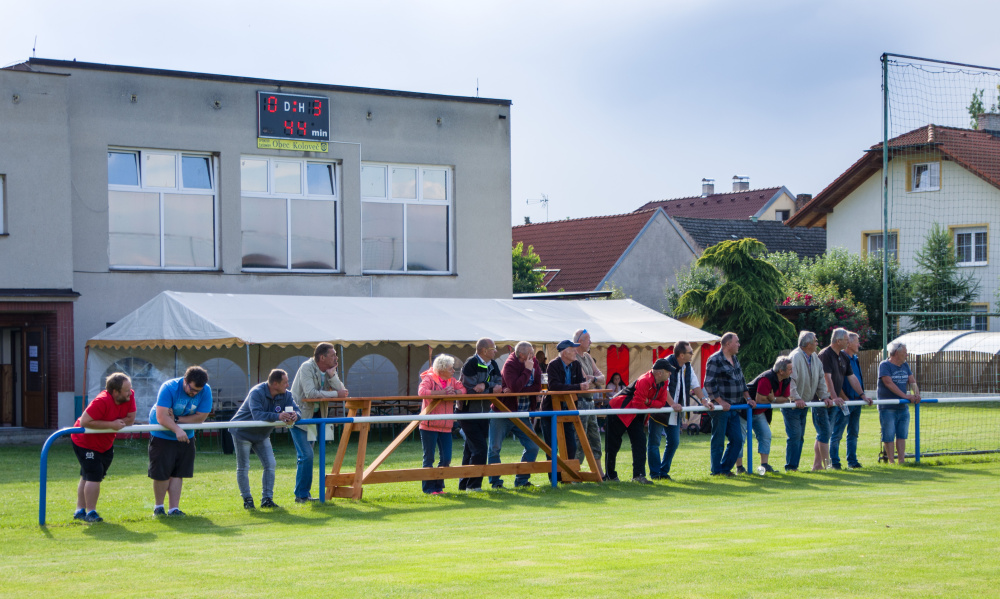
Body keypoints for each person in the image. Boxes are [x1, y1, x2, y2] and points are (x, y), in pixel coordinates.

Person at [70, 372, 137, 523]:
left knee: (89, 475)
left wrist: (113, 424)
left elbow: (130, 419)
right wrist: (112, 424)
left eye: (129, 389)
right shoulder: (102, 401)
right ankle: (91, 512)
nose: (130, 393)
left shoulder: (129, 396)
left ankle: (79, 511)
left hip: (105, 443)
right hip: (84, 442)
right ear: (115, 392)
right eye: (126, 390)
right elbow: (85, 422)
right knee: (94, 474)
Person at [148, 365, 212, 516]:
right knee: (162, 473)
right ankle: (159, 508)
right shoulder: (169, 388)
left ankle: (174, 509)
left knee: (178, 473)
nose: (194, 393)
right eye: (192, 389)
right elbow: (161, 416)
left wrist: (176, 419)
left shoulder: (206, 390)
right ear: (185, 381)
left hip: (186, 435)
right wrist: (177, 429)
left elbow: (200, 417)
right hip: (162, 434)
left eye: (198, 391)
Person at [230, 369, 299, 510]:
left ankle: (267, 499)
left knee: (270, 464)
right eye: (285, 382)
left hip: (262, 435)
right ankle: (247, 500)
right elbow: (257, 415)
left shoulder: (287, 395)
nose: (288, 385)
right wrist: (278, 416)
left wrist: (296, 415)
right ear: (275, 384)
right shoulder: (256, 392)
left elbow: (298, 410)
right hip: (242, 432)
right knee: (243, 467)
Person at [290, 343, 349, 503]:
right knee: (306, 455)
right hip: (299, 417)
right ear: (322, 357)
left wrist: (332, 375)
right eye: (333, 355)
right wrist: (335, 394)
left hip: (316, 417)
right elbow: (310, 393)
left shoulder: (329, 371)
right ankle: (301, 495)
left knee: (307, 455)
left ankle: (303, 495)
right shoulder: (306, 367)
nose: (336, 358)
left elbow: (342, 392)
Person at [606, 359, 672, 483]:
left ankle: (638, 476)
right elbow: (638, 403)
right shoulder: (644, 380)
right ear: (660, 373)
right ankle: (610, 475)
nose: (670, 373)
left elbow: (662, 403)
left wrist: (647, 401)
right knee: (613, 444)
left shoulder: (664, 382)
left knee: (640, 443)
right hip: (619, 410)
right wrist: (650, 403)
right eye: (668, 371)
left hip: (635, 413)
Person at [647, 342, 704, 480]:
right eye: (690, 352)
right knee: (654, 442)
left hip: (674, 410)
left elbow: (695, 385)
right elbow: (663, 388)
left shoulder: (687, 366)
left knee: (674, 441)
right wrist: (673, 403)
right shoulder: (665, 364)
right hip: (659, 408)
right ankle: (655, 474)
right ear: (681, 355)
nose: (692, 354)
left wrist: (704, 400)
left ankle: (663, 472)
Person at [490, 341, 542, 489]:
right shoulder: (510, 364)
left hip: (523, 413)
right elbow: (515, 386)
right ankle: (495, 483)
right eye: (529, 354)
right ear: (520, 354)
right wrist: (527, 371)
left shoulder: (534, 362)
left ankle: (522, 480)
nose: (532, 356)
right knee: (494, 448)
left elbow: (537, 387)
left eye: (533, 353)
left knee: (533, 446)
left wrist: (518, 390)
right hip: (502, 412)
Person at [458, 338, 506, 492]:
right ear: (484, 351)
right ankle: (473, 486)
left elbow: (499, 384)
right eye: (493, 348)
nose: (496, 351)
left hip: (484, 412)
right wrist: (491, 388)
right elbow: (470, 389)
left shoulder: (493, 364)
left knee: (470, 449)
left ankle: (464, 485)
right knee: (480, 449)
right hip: (467, 413)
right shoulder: (471, 363)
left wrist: (484, 385)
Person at [701, 332, 751, 477]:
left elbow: (742, 381)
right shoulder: (715, 359)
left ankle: (725, 469)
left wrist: (748, 398)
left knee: (737, 440)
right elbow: (708, 383)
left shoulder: (735, 359)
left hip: (734, 408)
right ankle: (716, 471)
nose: (739, 344)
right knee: (718, 441)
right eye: (737, 342)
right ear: (728, 344)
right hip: (720, 409)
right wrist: (720, 402)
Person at [418, 354, 465, 494]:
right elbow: (422, 392)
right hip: (429, 425)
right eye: (451, 369)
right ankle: (428, 488)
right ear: (442, 369)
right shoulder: (429, 378)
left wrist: (455, 392)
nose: (453, 371)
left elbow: (464, 390)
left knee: (446, 458)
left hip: (446, 426)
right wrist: (441, 393)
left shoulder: (452, 380)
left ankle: (438, 487)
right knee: (429, 458)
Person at [738, 357, 793, 475]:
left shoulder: (787, 379)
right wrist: (773, 400)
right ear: (781, 371)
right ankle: (740, 467)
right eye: (789, 369)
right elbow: (759, 400)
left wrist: (773, 399)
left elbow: (785, 398)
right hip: (744, 411)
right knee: (740, 438)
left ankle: (764, 465)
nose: (792, 371)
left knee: (766, 435)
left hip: (759, 412)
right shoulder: (766, 378)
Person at [545, 340, 591, 476]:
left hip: (568, 409)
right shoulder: (553, 365)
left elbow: (580, 383)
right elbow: (554, 386)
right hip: (551, 410)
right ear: (564, 352)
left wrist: (584, 384)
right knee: (552, 447)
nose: (576, 352)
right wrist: (578, 386)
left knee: (571, 445)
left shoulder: (576, 364)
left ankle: (569, 476)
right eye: (573, 349)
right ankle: (554, 478)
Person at [784, 331, 828, 472]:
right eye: (815, 341)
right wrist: (796, 398)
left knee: (799, 436)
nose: (817, 343)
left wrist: (824, 396)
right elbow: (790, 381)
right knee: (795, 436)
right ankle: (791, 467)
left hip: (804, 404)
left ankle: (794, 467)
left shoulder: (814, 357)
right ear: (808, 344)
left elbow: (821, 379)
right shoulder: (795, 357)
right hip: (792, 405)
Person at [831, 332, 872, 469]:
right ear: (848, 343)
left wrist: (862, 396)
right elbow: (836, 382)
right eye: (857, 342)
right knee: (837, 433)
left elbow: (855, 378)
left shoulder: (855, 358)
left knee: (853, 432)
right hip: (845, 402)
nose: (859, 344)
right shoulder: (840, 358)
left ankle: (852, 461)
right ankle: (834, 462)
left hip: (856, 402)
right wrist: (844, 398)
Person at [878, 340, 921, 464]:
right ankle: (892, 462)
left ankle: (901, 461)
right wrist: (906, 396)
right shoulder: (884, 365)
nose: (907, 355)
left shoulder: (905, 365)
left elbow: (912, 381)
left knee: (902, 435)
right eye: (905, 353)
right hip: (887, 407)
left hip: (902, 407)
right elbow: (888, 383)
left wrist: (916, 394)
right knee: (889, 435)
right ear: (897, 353)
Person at [815, 328, 851, 470]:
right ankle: (826, 465)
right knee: (824, 433)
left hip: (833, 402)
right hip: (823, 401)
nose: (848, 342)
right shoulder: (825, 354)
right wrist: (834, 397)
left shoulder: (843, 356)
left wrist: (862, 395)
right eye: (846, 340)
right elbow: (826, 377)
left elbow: (851, 377)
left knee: (825, 433)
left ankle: (817, 465)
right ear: (838, 341)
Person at [572, 328, 605, 477]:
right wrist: (594, 380)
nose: (591, 342)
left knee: (595, 438)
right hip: (580, 402)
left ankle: (599, 473)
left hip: (590, 402)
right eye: (588, 339)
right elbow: (584, 381)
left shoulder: (587, 356)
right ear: (580, 341)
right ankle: (574, 473)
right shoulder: (574, 357)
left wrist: (594, 379)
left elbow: (602, 378)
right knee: (579, 439)